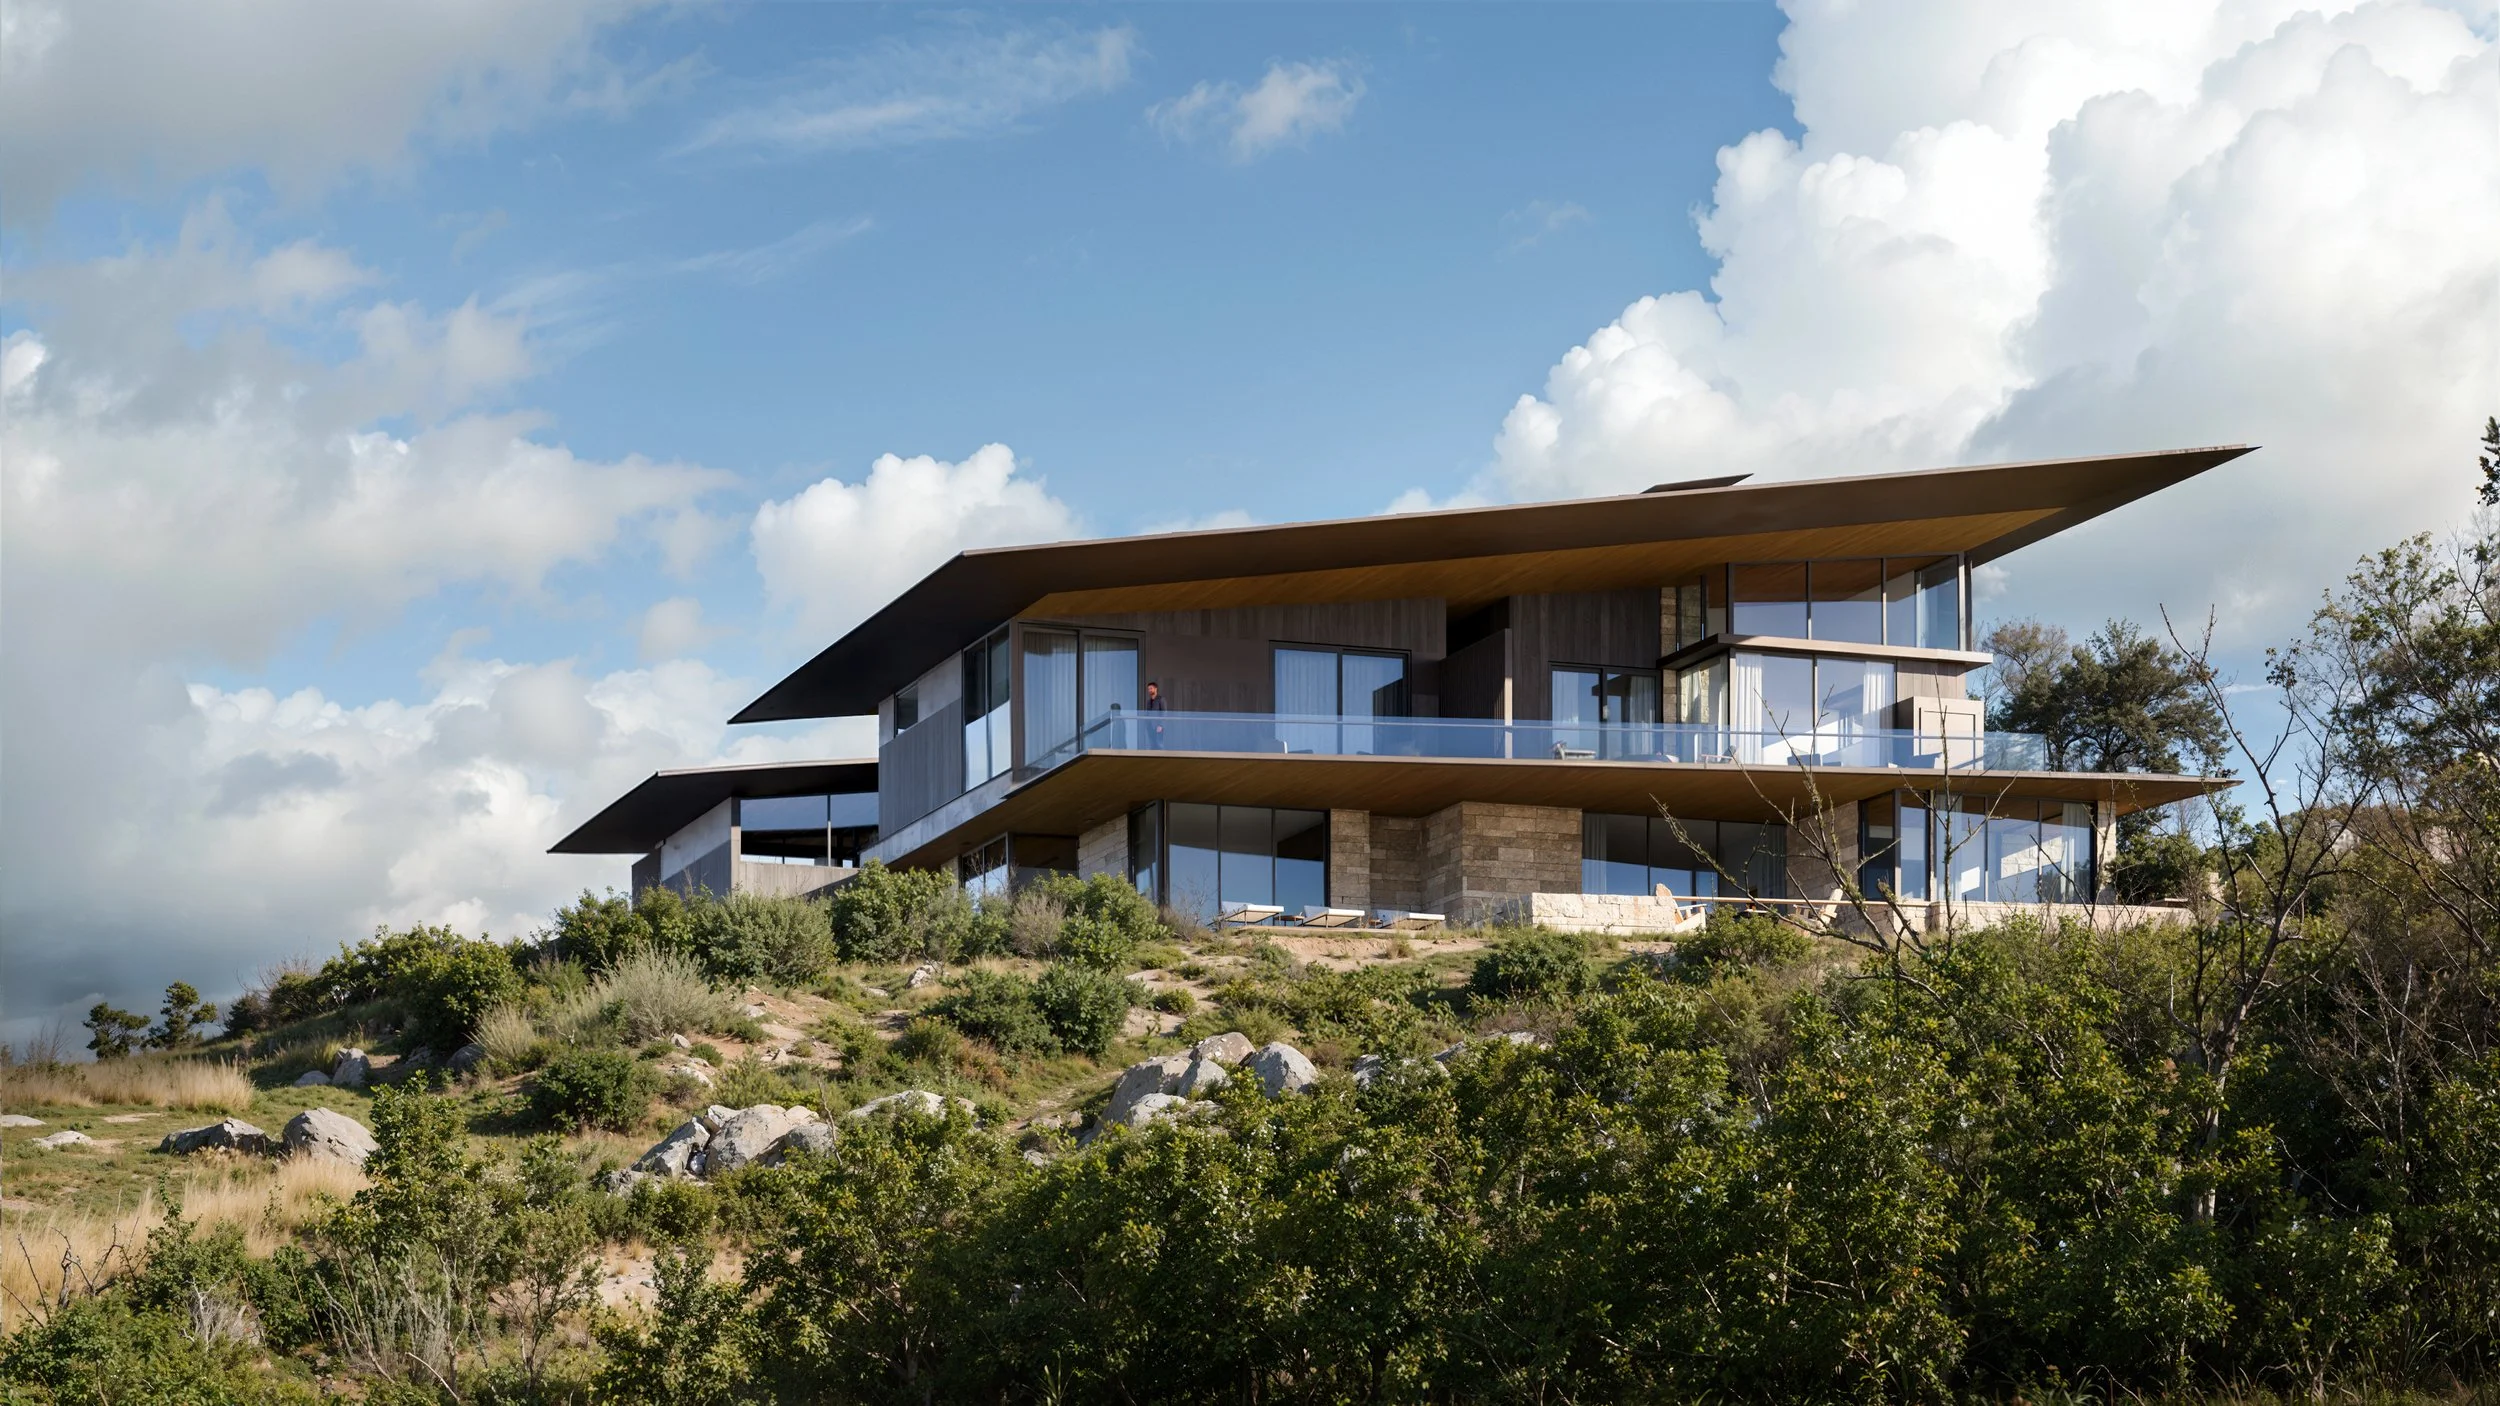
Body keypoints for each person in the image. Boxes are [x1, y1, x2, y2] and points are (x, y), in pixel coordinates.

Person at [1143, 679, 1166, 747]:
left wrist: (1161, 725)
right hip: (1150, 726)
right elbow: (1147, 713)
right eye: (1148, 689)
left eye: (1151, 688)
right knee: (1151, 744)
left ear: (1156, 689)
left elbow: (1164, 712)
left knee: (1159, 744)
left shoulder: (1161, 699)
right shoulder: (1148, 701)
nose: (1149, 690)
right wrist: (1147, 724)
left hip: (1158, 726)